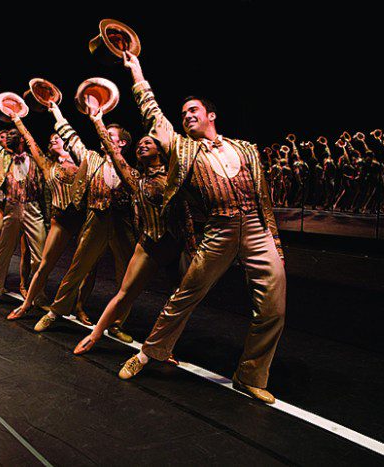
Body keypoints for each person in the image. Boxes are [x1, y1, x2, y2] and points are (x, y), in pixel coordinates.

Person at [118, 52, 286, 404]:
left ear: (211, 115)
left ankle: (251, 375)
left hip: (256, 229)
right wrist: (137, 72)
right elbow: (154, 114)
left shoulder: (246, 149)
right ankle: (149, 352)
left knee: (273, 307)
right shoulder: (184, 149)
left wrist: (275, 241)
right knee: (185, 294)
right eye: (182, 114)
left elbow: (265, 199)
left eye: (192, 110)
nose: (186, 116)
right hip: (219, 229)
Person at [73, 107, 196, 355]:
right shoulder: (135, 179)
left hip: (176, 244)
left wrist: (192, 248)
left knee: (181, 298)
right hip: (148, 242)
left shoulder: (175, 176)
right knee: (124, 293)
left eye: (148, 143)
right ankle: (94, 336)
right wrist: (97, 120)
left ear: (160, 149)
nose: (142, 145)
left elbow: (185, 214)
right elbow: (113, 153)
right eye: (139, 144)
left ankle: (164, 345)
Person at [32, 101, 136, 343]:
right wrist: (56, 111)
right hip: (96, 219)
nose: (103, 136)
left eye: (110, 134)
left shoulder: (130, 170)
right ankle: (55, 312)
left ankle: (117, 324)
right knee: (77, 268)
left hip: (121, 224)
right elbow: (71, 135)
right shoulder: (91, 158)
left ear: (122, 143)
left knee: (127, 276)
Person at [6, 102, 95, 324]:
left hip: (84, 218)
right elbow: (30, 141)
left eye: (58, 137)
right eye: (51, 139)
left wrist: (57, 112)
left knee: (88, 268)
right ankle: (27, 304)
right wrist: (17, 119)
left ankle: (79, 306)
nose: (53, 140)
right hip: (60, 219)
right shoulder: (47, 165)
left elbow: (73, 137)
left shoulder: (84, 160)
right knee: (44, 264)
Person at [0, 101, 47, 304]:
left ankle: (38, 294)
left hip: (32, 208)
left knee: (40, 256)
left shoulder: (35, 158)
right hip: (11, 207)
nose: (9, 138)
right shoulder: (2, 156)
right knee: (3, 251)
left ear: (22, 139)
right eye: (9, 136)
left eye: (14, 135)